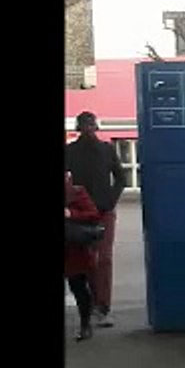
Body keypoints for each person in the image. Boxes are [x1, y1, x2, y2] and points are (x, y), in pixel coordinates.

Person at [65, 112, 126, 327]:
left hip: (103, 211)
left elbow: (121, 178)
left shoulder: (107, 150)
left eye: (92, 125)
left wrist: (110, 200)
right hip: (80, 213)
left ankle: (102, 306)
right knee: (87, 259)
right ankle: (92, 305)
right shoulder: (70, 151)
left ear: (96, 127)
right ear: (79, 128)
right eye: (85, 126)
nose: (89, 129)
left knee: (103, 259)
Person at [65, 171, 103, 342]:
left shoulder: (76, 192)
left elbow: (93, 214)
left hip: (73, 249)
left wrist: (70, 213)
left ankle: (85, 325)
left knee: (78, 287)